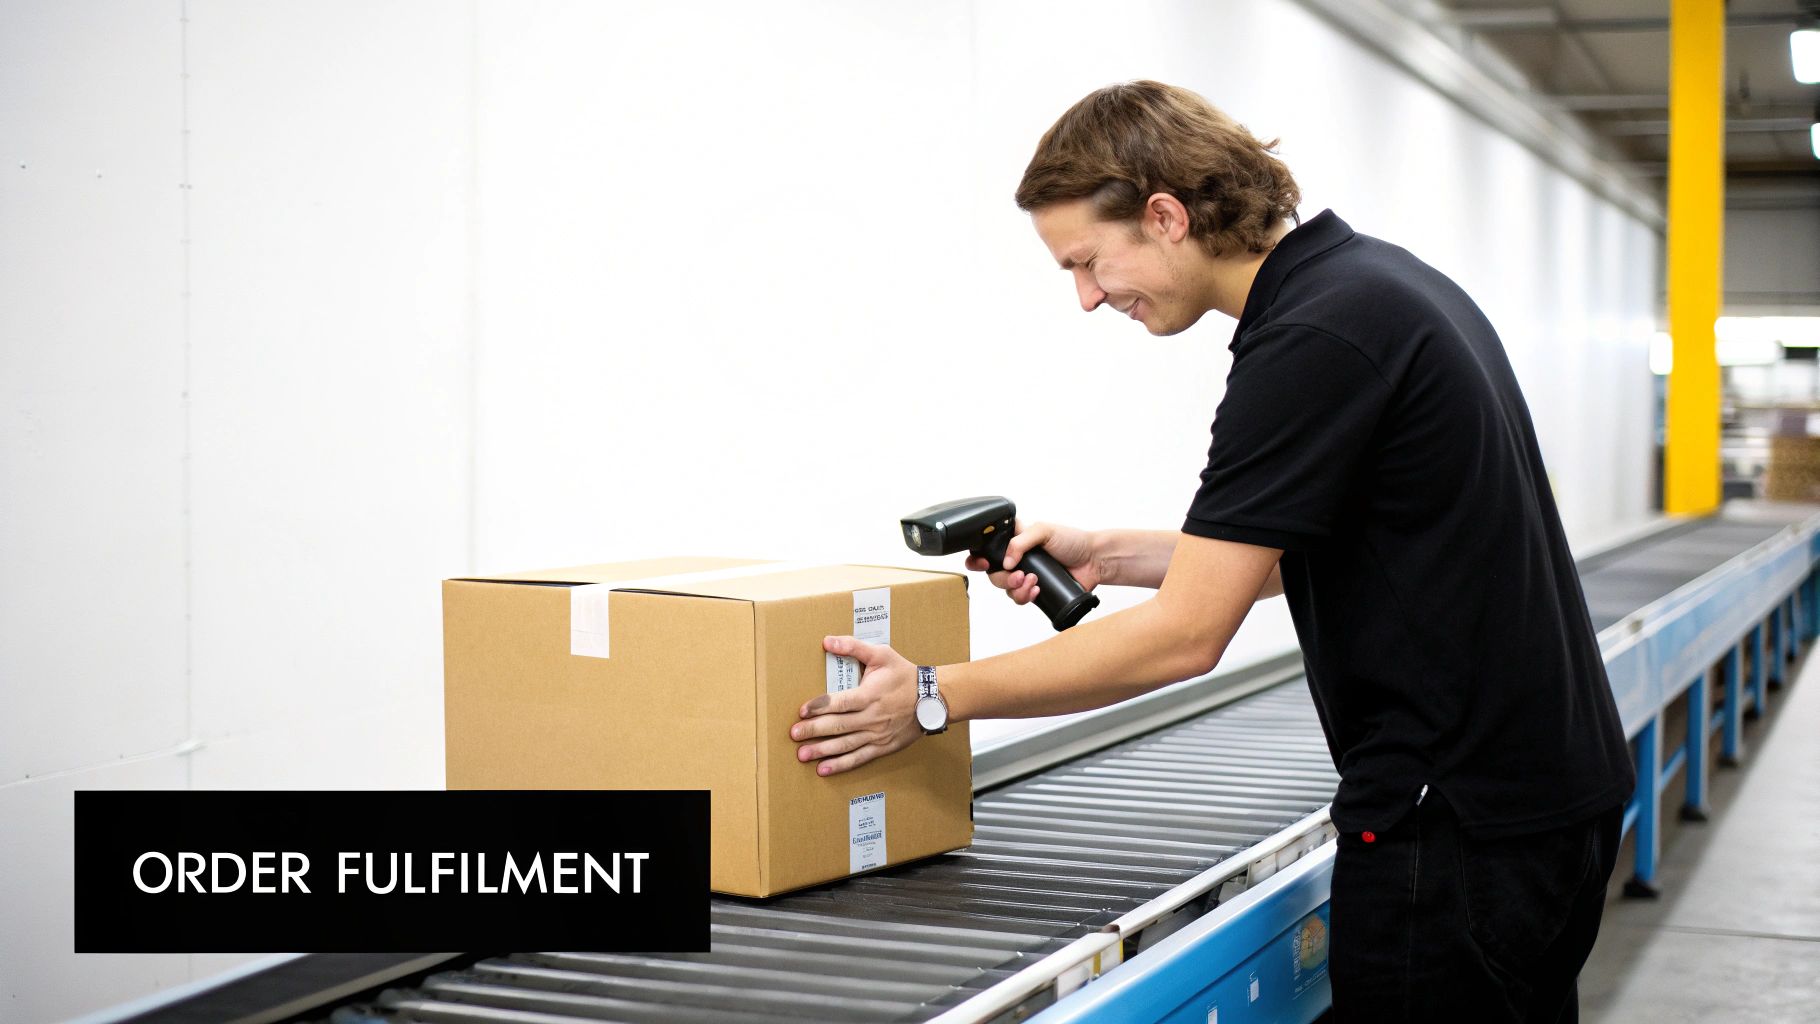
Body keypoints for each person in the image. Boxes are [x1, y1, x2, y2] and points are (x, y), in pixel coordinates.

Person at [790, 80, 1634, 1022]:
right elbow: (1333, 547)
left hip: (1458, 827)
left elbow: (1186, 638)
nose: (1084, 298)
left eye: (1087, 263)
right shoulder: (1376, 287)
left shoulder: (1310, 340)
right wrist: (1110, 552)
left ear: (1164, 215)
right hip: (1538, 803)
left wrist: (935, 697)